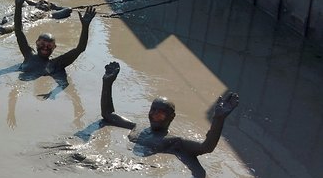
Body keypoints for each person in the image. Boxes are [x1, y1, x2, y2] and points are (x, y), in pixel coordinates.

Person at [100, 61, 239, 156]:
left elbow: (206, 147)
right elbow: (108, 115)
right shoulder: (138, 127)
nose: (155, 115)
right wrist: (107, 83)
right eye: (153, 110)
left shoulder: (174, 142)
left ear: (171, 117)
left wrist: (218, 119)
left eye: (160, 113)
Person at [14, 0, 95, 75]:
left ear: (54, 47)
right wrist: (18, 6)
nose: (45, 47)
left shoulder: (57, 63)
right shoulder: (28, 55)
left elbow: (80, 48)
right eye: (42, 44)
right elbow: (18, 31)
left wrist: (85, 26)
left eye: (49, 45)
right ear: (37, 43)